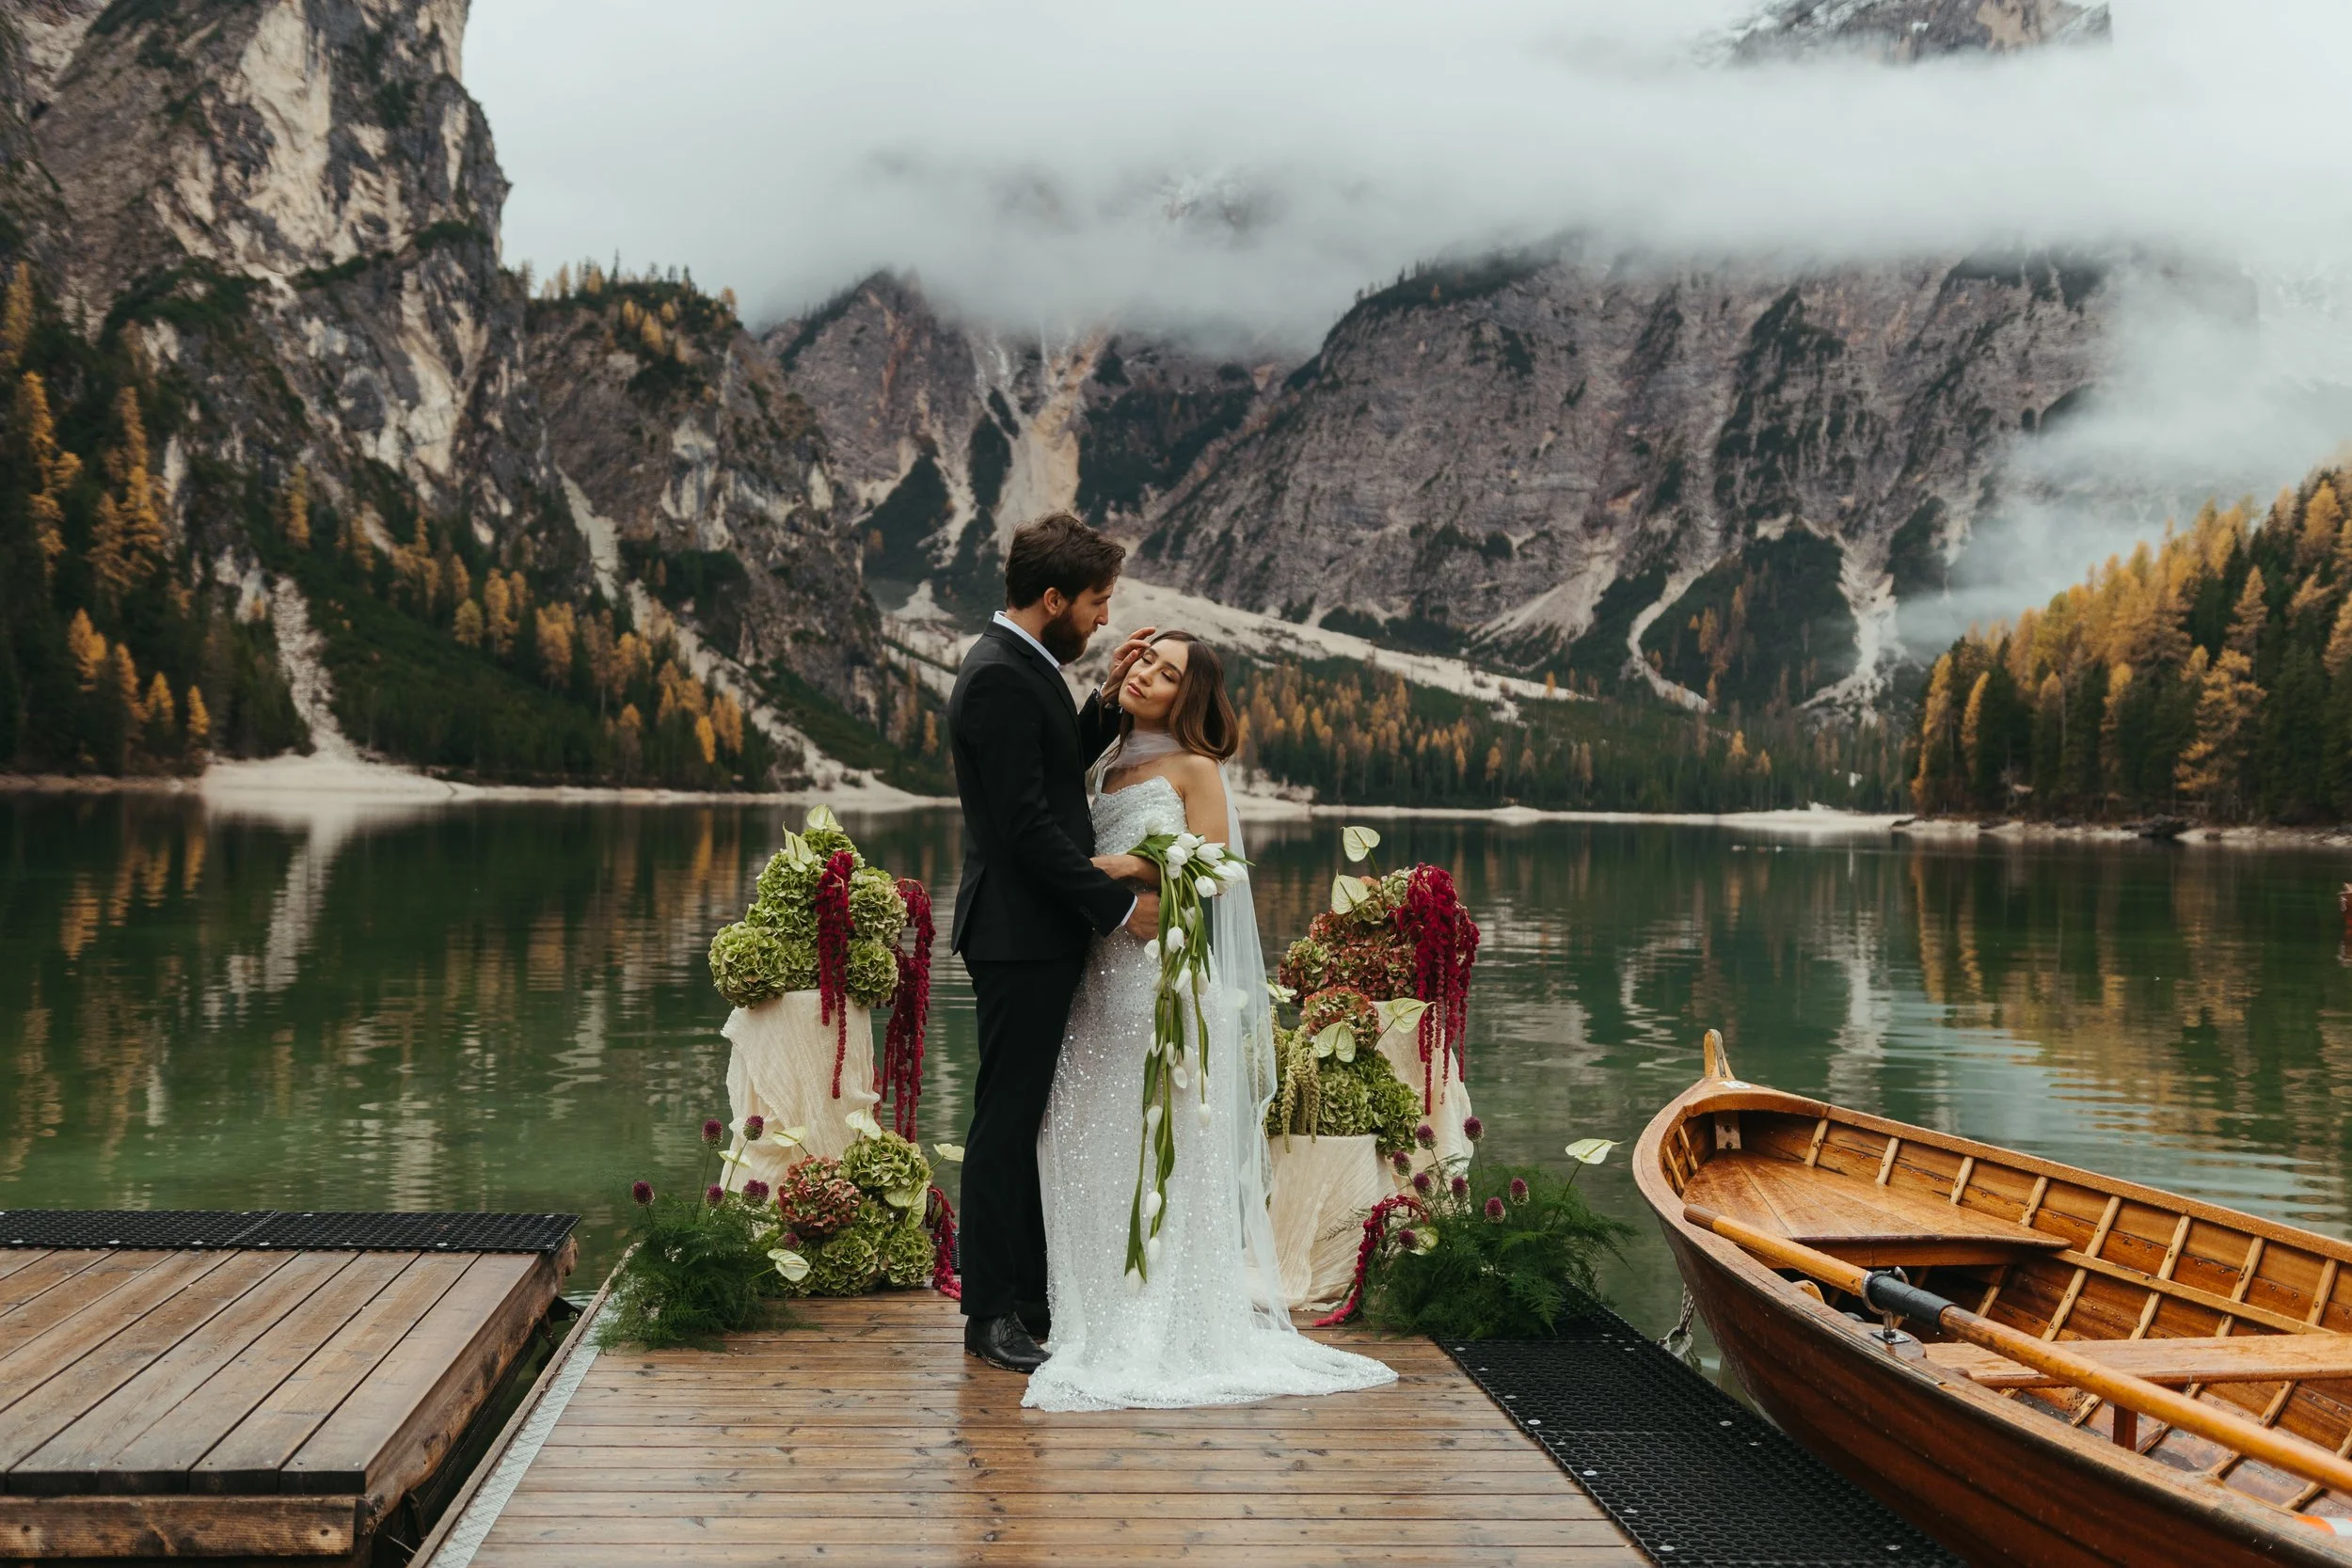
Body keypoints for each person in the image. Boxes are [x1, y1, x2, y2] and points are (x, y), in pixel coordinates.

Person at [1022, 629, 1395, 1410]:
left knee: (1149, 1138)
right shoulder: (1107, 761)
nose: (1148, 676)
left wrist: (1132, 863)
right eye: (1145, 661)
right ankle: (1086, 1308)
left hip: (1156, 979)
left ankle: (1159, 1317)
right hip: (1096, 975)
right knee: (1081, 1133)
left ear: (1187, 696)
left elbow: (1221, 870)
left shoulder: (1195, 766)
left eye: (1167, 673)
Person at [947, 512, 1161, 1373]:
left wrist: (1104, 702)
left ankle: (1028, 1296)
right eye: (1097, 602)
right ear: (1052, 598)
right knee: (1005, 1124)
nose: (1104, 619)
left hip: (1031, 932)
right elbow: (1028, 830)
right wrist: (1115, 909)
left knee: (1024, 1116)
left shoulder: (1021, 665)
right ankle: (989, 1312)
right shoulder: (998, 677)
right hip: (1018, 934)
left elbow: (1046, 774)